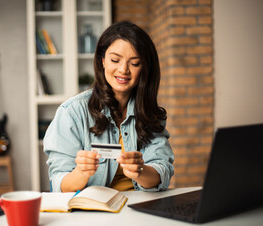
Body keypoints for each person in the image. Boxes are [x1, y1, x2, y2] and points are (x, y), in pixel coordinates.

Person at [44, 21, 174, 192]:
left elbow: (161, 170)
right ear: (103, 60)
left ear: (144, 68)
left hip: (139, 208)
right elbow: (58, 183)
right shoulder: (72, 112)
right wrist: (81, 173)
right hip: (94, 212)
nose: (123, 70)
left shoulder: (149, 113)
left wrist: (140, 171)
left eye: (134, 63)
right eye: (115, 60)